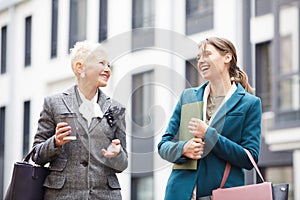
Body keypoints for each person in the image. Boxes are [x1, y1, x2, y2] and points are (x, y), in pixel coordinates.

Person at [158, 37, 262, 199]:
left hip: (221, 193)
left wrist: (209, 134)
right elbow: (163, 145)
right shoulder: (189, 97)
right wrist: (183, 149)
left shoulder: (249, 103)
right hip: (180, 193)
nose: (201, 61)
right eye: (199, 57)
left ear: (227, 57)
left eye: (207, 54)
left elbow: (249, 158)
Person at [31, 40, 128, 199]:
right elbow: (36, 155)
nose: (107, 69)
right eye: (101, 63)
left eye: (108, 65)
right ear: (80, 67)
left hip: (104, 195)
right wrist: (55, 142)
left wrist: (116, 154)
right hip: (63, 195)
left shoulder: (116, 109)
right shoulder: (54, 103)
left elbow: (123, 164)